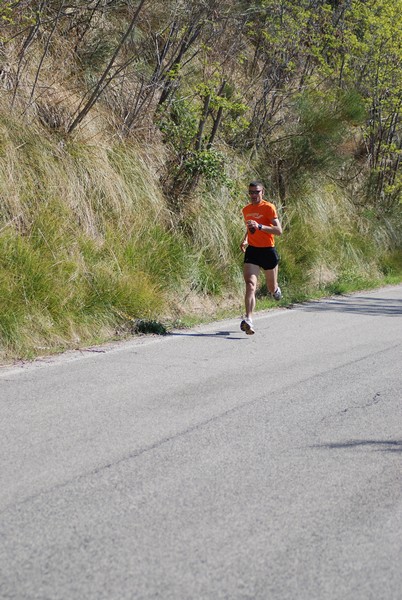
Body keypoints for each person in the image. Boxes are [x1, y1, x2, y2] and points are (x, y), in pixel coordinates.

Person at [239, 181, 282, 335]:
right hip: (253, 251)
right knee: (250, 285)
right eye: (251, 192)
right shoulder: (246, 209)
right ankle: (249, 319)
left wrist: (260, 227)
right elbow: (249, 227)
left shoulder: (269, 207)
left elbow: (278, 230)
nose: (254, 195)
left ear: (262, 192)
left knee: (271, 288)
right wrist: (245, 239)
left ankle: (276, 289)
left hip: (268, 251)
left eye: (256, 192)